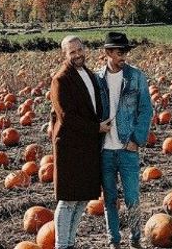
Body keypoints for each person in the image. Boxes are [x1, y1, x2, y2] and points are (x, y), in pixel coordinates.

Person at [49, 36, 109, 249]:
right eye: (71, 52)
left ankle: (70, 243)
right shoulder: (61, 79)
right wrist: (97, 128)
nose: (77, 55)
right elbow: (67, 116)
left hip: (87, 146)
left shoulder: (89, 74)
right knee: (67, 201)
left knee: (83, 198)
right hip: (71, 147)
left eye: (79, 50)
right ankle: (61, 245)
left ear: (85, 49)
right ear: (65, 55)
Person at [95, 31, 153, 249]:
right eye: (120, 52)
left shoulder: (136, 77)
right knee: (109, 199)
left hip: (127, 148)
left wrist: (137, 139)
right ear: (108, 52)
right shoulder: (96, 79)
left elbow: (146, 110)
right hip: (105, 150)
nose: (124, 56)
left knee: (132, 198)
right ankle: (114, 240)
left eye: (125, 52)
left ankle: (136, 238)